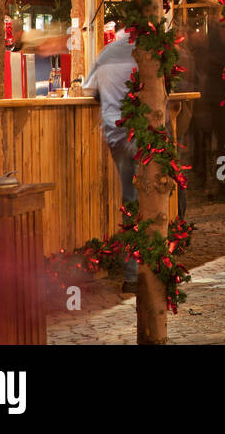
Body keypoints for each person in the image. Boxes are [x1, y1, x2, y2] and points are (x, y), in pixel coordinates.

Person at [83, 27, 142, 292]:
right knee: (154, 200)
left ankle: (133, 273)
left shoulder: (105, 54)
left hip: (116, 135)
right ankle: (152, 268)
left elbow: (88, 91)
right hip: (143, 137)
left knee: (130, 202)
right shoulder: (146, 55)